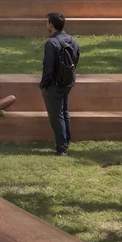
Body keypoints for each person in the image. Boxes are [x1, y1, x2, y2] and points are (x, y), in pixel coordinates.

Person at [40, 12, 81, 154]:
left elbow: (48, 68)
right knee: (64, 112)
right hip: (68, 82)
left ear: (51, 25)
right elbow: (75, 60)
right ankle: (66, 141)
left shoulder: (51, 43)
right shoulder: (73, 40)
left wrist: (43, 84)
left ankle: (61, 148)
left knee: (56, 116)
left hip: (54, 84)